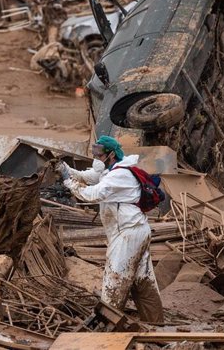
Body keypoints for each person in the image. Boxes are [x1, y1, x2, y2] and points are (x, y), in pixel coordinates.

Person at [59, 135, 164, 323]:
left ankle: (106, 326)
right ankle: (156, 324)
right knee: (143, 281)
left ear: (112, 154)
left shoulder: (120, 174)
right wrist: (66, 170)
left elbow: (92, 194)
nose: (98, 158)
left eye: (100, 154)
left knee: (115, 278)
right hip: (135, 231)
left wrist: (68, 182)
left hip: (128, 234)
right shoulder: (113, 170)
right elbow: (90, 176)